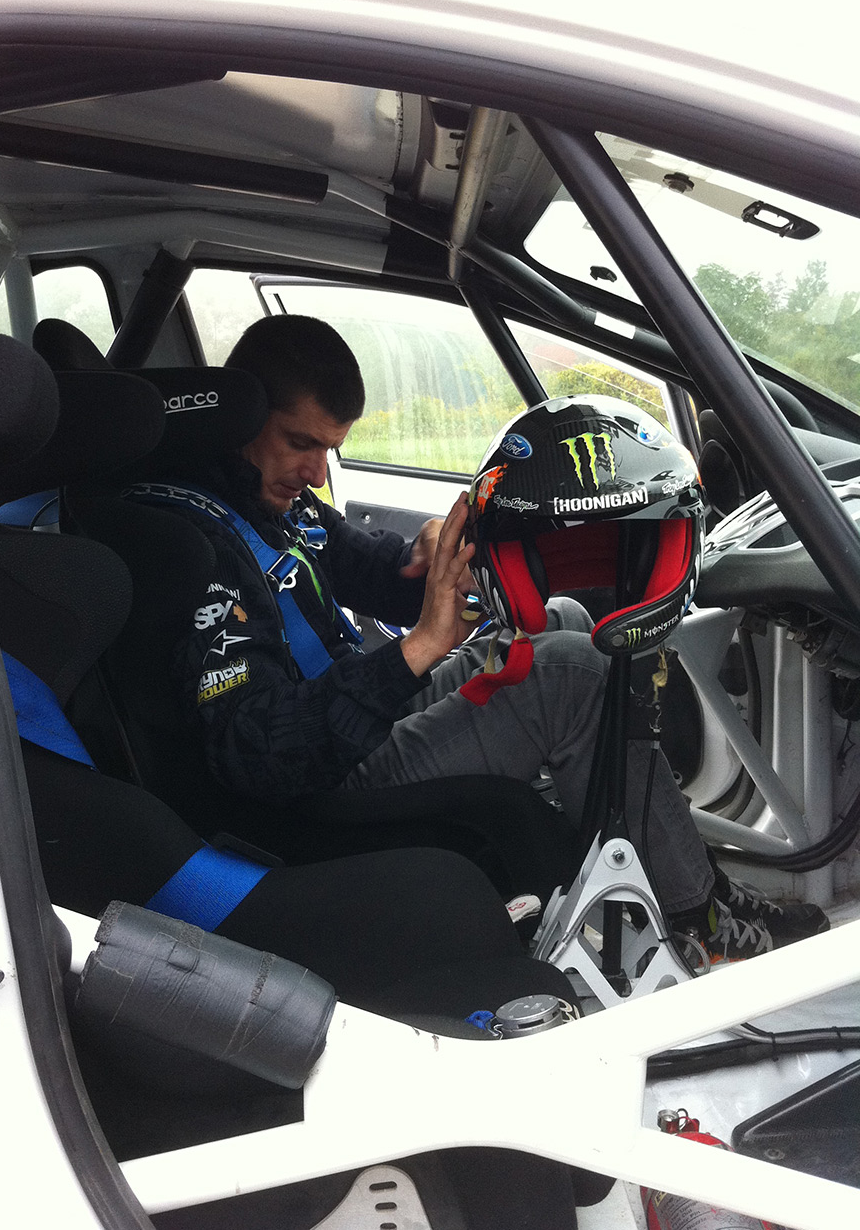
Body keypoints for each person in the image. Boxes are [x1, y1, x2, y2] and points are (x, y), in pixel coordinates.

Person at [172, 314, 828, 961]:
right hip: (321, 779)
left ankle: (678, 875)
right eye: (300, 443)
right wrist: (418, 648)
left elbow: (374, 570)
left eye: (329, 450)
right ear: (241, 416)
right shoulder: (193, 546)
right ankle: (696, 915)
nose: (317, 472)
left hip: (352, 719)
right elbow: (258, 753)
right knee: (569, 675)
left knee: (563, 618)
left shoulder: (277, 505)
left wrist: (435, 558)